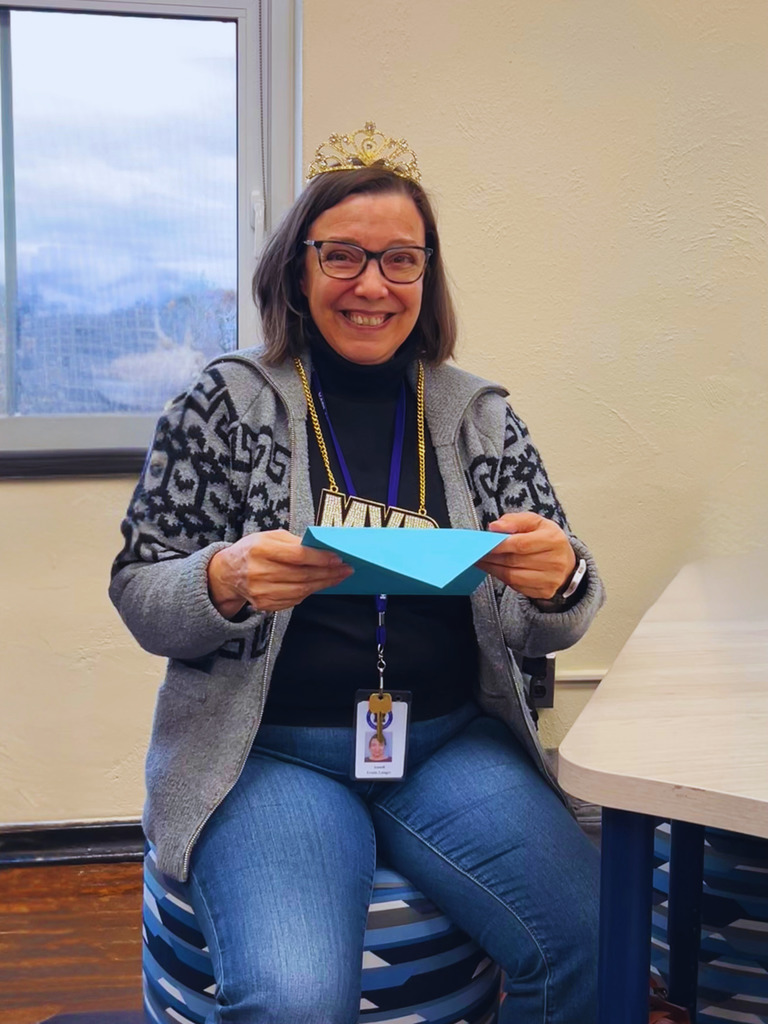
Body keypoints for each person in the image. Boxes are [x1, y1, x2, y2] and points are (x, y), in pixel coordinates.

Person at [110, 121, 605, 1024]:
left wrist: (563, 579)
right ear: (297, 267)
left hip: (450, 743)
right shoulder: (224, 404)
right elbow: (142, 591)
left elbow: (556, 615)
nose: (373, 285)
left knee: (594, 941)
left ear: (428, 274)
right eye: (343, 255)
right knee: (297, 1002)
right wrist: (220, 582)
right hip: (269, 757)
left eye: (401, 261)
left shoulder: (477, 417)